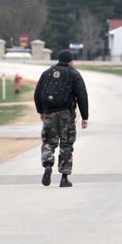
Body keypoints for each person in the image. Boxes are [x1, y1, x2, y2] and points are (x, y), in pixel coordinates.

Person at [34, 49, 89, 188]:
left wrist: (41, 111)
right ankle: (64, 178)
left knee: (48, 141)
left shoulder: (47, 73)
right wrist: (84, 116)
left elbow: (37, 93)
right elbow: (82, 95)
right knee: (66, 144)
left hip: (49, 114)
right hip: (66, 114)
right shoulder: (74, 74)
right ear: (70, 61)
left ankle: (47, 164)